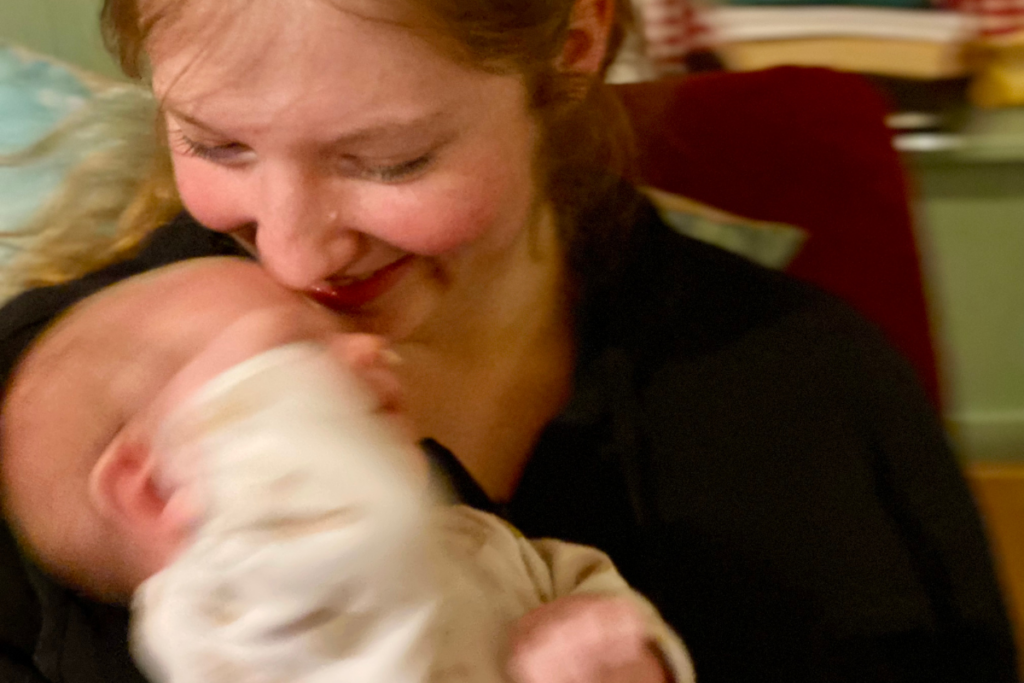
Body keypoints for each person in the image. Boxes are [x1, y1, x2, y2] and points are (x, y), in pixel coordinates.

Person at [0, 0, 1016, 681]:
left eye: (387, 159)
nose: (296, 249)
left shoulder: (802, 396)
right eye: (216, 143)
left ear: (575, 41)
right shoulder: (48, 420)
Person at [1, 257, 694, 683]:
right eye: (298, 349)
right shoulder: (220, 619)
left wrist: (633, 656)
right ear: (157, 488)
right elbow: (345, 548)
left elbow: (586, 584)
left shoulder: (468, 533)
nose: (369, 348)